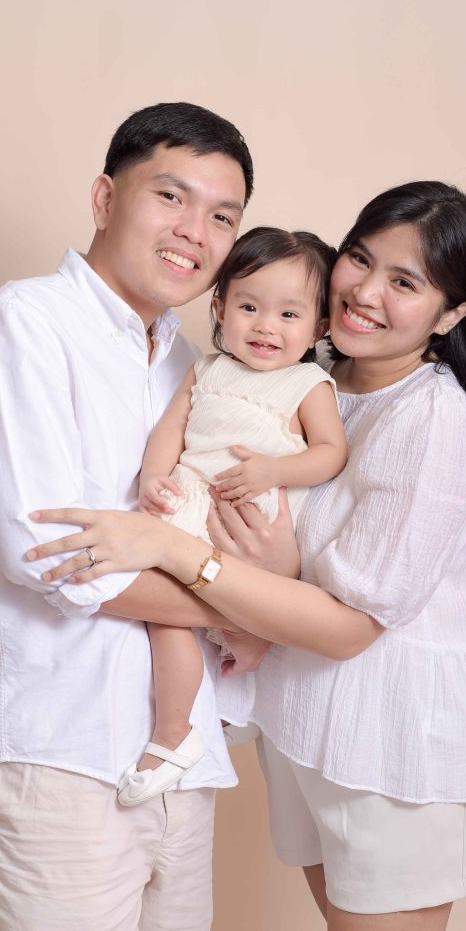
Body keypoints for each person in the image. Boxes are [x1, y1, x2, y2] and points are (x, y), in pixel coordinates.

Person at [28, 181, 466, 931]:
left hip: (393, 743)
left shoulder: (429, 421)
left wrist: (175, 551)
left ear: (451, 313)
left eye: (404, 282)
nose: (364, 291)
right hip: (308, 730)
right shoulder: (309, 371)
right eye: (360, 258)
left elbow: (351, 626)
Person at [0, 101, 255, 931]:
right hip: (57, 752)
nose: (194, 232)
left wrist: (231, 588)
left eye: (221, 217)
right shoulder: (26, 321)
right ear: (105, 198)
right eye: (171, 197)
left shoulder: (194, 364)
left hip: (182, 761)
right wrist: (244, 609)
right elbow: (57, 561)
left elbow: (238, 539)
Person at [119, 226, 347, 805]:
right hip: (191, 500)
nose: (266, 326)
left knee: (238, 611)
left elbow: (330, 453)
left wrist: (275, 470)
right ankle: (176, 732)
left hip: (250, 517)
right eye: (249, 307)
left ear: (320, 327)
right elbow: (170, 428)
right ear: (219, 308)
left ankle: (222, 694)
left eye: (289, 314)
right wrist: (154, 477)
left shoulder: (308, 384)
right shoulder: (207, 368)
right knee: (166, 616)